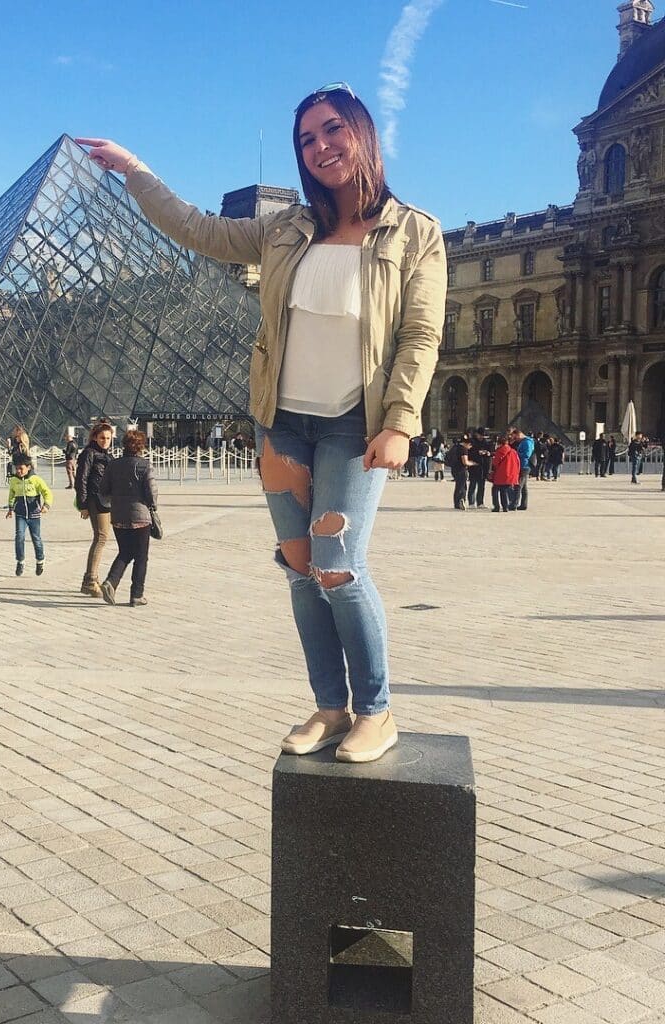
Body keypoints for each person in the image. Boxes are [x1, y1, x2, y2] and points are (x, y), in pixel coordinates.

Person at [77, 79, 445, 763]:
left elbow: (420, 335)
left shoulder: (416, 232)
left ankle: (376, 711)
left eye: (332, 129)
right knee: (301, 568)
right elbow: (197, 229)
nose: (320, 146)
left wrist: (400, 421)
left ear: (362, 133)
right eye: (306, 139)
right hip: (283, 422)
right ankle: (330, 708)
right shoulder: (284, 229)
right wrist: (136, 172)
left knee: (338, 566)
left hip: (354, 425)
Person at [99, 429, 158, 607]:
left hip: (118, 515)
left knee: (125, 551)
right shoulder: (145, 465)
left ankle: (111, 582)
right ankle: (136, 595)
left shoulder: (113, 465)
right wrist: (152, 506)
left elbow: (103, 490)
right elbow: (151, 491)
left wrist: (113, 502)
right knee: (141, 557)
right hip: (140, 516)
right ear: (141, 446)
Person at [75, 421, 114, 597]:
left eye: (108, 438)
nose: (105, 441)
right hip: (95, 499)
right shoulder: (89, 453)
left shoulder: (106, 455)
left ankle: (91, 579)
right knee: (101, 537)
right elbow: (81, 479)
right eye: (102, 438)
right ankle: (90, 580)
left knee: (101, 537)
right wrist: (83, 504)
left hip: (105, 500)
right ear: (95, 438)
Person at [5, 452, 52, 576]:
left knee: (36, 538)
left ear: (28, 467)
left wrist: (46, 505)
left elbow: (47, 492)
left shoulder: (36, 479)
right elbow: (11, 494)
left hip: (34, 514)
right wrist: (10, 508)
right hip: (20, 514)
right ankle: (20, 561)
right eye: (17, 468)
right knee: (19, 537)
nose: (18, 471)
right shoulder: (14, 480)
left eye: (21, 468)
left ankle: (40, 560)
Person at [490, 434, 520, 512]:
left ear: (499, 443)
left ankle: (496, 506)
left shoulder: (499, 451)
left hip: (500, 474)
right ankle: (505, 507)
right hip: (510, 474)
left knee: (495, 490)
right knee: (504, 490)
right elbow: (517, 463)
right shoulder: (513, 451)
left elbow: (495, 462)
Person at [446, 436, 473, 510]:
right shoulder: (463, 449)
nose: (470, 448)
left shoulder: (455, 447)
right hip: (461, 470)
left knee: (458, 486)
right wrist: (473, 463)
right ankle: (461, 500)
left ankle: (456, 503)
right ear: (467, 444)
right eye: (470, 445)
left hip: (454, 469)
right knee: (462, 487)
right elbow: (465, 462)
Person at [510, 428, 534, 510]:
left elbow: (527, 454)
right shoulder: (523, 442)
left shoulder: (527, 442)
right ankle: (524, 504)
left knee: (518, 485)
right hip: (522, 465)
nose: (515, 439)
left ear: (519, 434)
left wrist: (516, 453)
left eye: (515, 437)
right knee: (524, 487)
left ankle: (514, 504)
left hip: (524, 466)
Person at [467, 429, 492, 509]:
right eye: (480, 435)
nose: (481, 437)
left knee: (481, 486)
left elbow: (491, 454)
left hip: (483, 467)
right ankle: (471, 502)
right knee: (472, 485)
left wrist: (488, 453)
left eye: (483, 436)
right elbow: (468, 453)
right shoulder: (472, 442)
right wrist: (477, 452)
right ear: (477, 434)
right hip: (474, 466)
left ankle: (480, 502)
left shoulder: (486, 443)